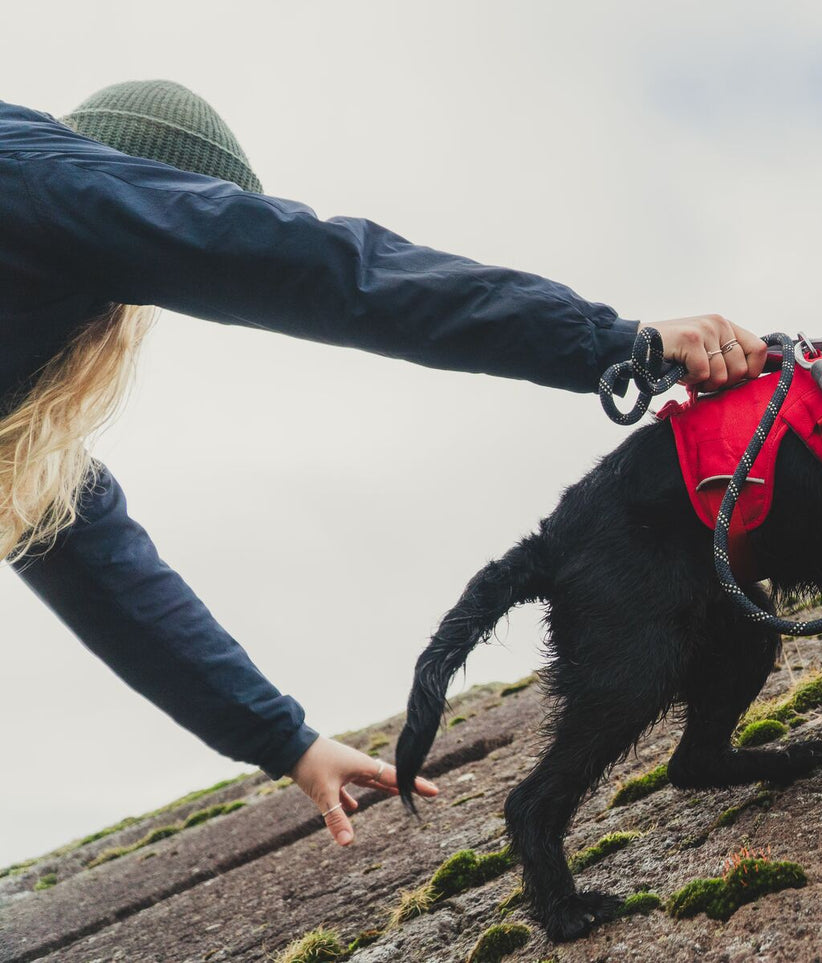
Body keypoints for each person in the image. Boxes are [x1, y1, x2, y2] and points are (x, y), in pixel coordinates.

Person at [0, 80, 767, 848]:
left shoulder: (25, 405)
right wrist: (612, 342)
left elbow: (105, 573)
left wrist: (287, 742)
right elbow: (326, 270)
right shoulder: (42, 175)